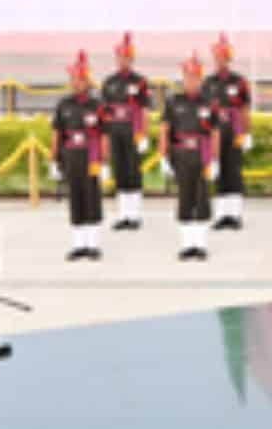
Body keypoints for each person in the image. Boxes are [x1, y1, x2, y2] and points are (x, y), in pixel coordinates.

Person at [159, 53, 220, 260]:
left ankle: (200, 244)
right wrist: (163, 156)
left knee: (202, 198)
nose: (191, 81)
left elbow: (215, 132)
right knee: (185, 198)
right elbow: (165, 130)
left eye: (195, 77)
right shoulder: (174, 102)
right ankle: (187, 245)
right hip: (181, 155)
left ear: (201, 79)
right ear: (183, 78)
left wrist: (215, 159)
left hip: (202, 155)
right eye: (188, 77)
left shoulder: (209, 103)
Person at [51, 51, 109, 261]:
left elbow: (104, 135)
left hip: (91, 158)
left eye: (80, 79)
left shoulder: (97, 106)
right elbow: (57, 133)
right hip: (71, 157)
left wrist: (104, 161)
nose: (76, 83)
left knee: (92, 198)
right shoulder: (64, 105)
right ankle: (79, 244)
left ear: (87, 81)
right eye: (73, 79)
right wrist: (54, 160)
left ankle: (93, 245)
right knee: (75, 199)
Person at [100, 32, 152, 231]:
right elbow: (104, 113)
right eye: (120, 57)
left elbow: (144, 110)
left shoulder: (140, 82)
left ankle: (135, 215)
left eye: (126, 57)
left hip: (133, 133)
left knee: (133, 173)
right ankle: (123, 215)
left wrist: (143, 135)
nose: (123, 60)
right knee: (120, 172)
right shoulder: (109, 83)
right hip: (115, 133)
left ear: (132, 58)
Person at [201, 33, 251, 230]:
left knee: (234, 172)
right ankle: (222, 214)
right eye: (217, 57)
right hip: (215, 136)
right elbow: (204, 113)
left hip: (235, 133)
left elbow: (245, 109)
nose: (220, 60)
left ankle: (235, 214)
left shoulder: (239, 82)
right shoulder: (208, 83)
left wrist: (246, 133)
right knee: (219, 172)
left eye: (223, 57)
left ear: (229, 58)